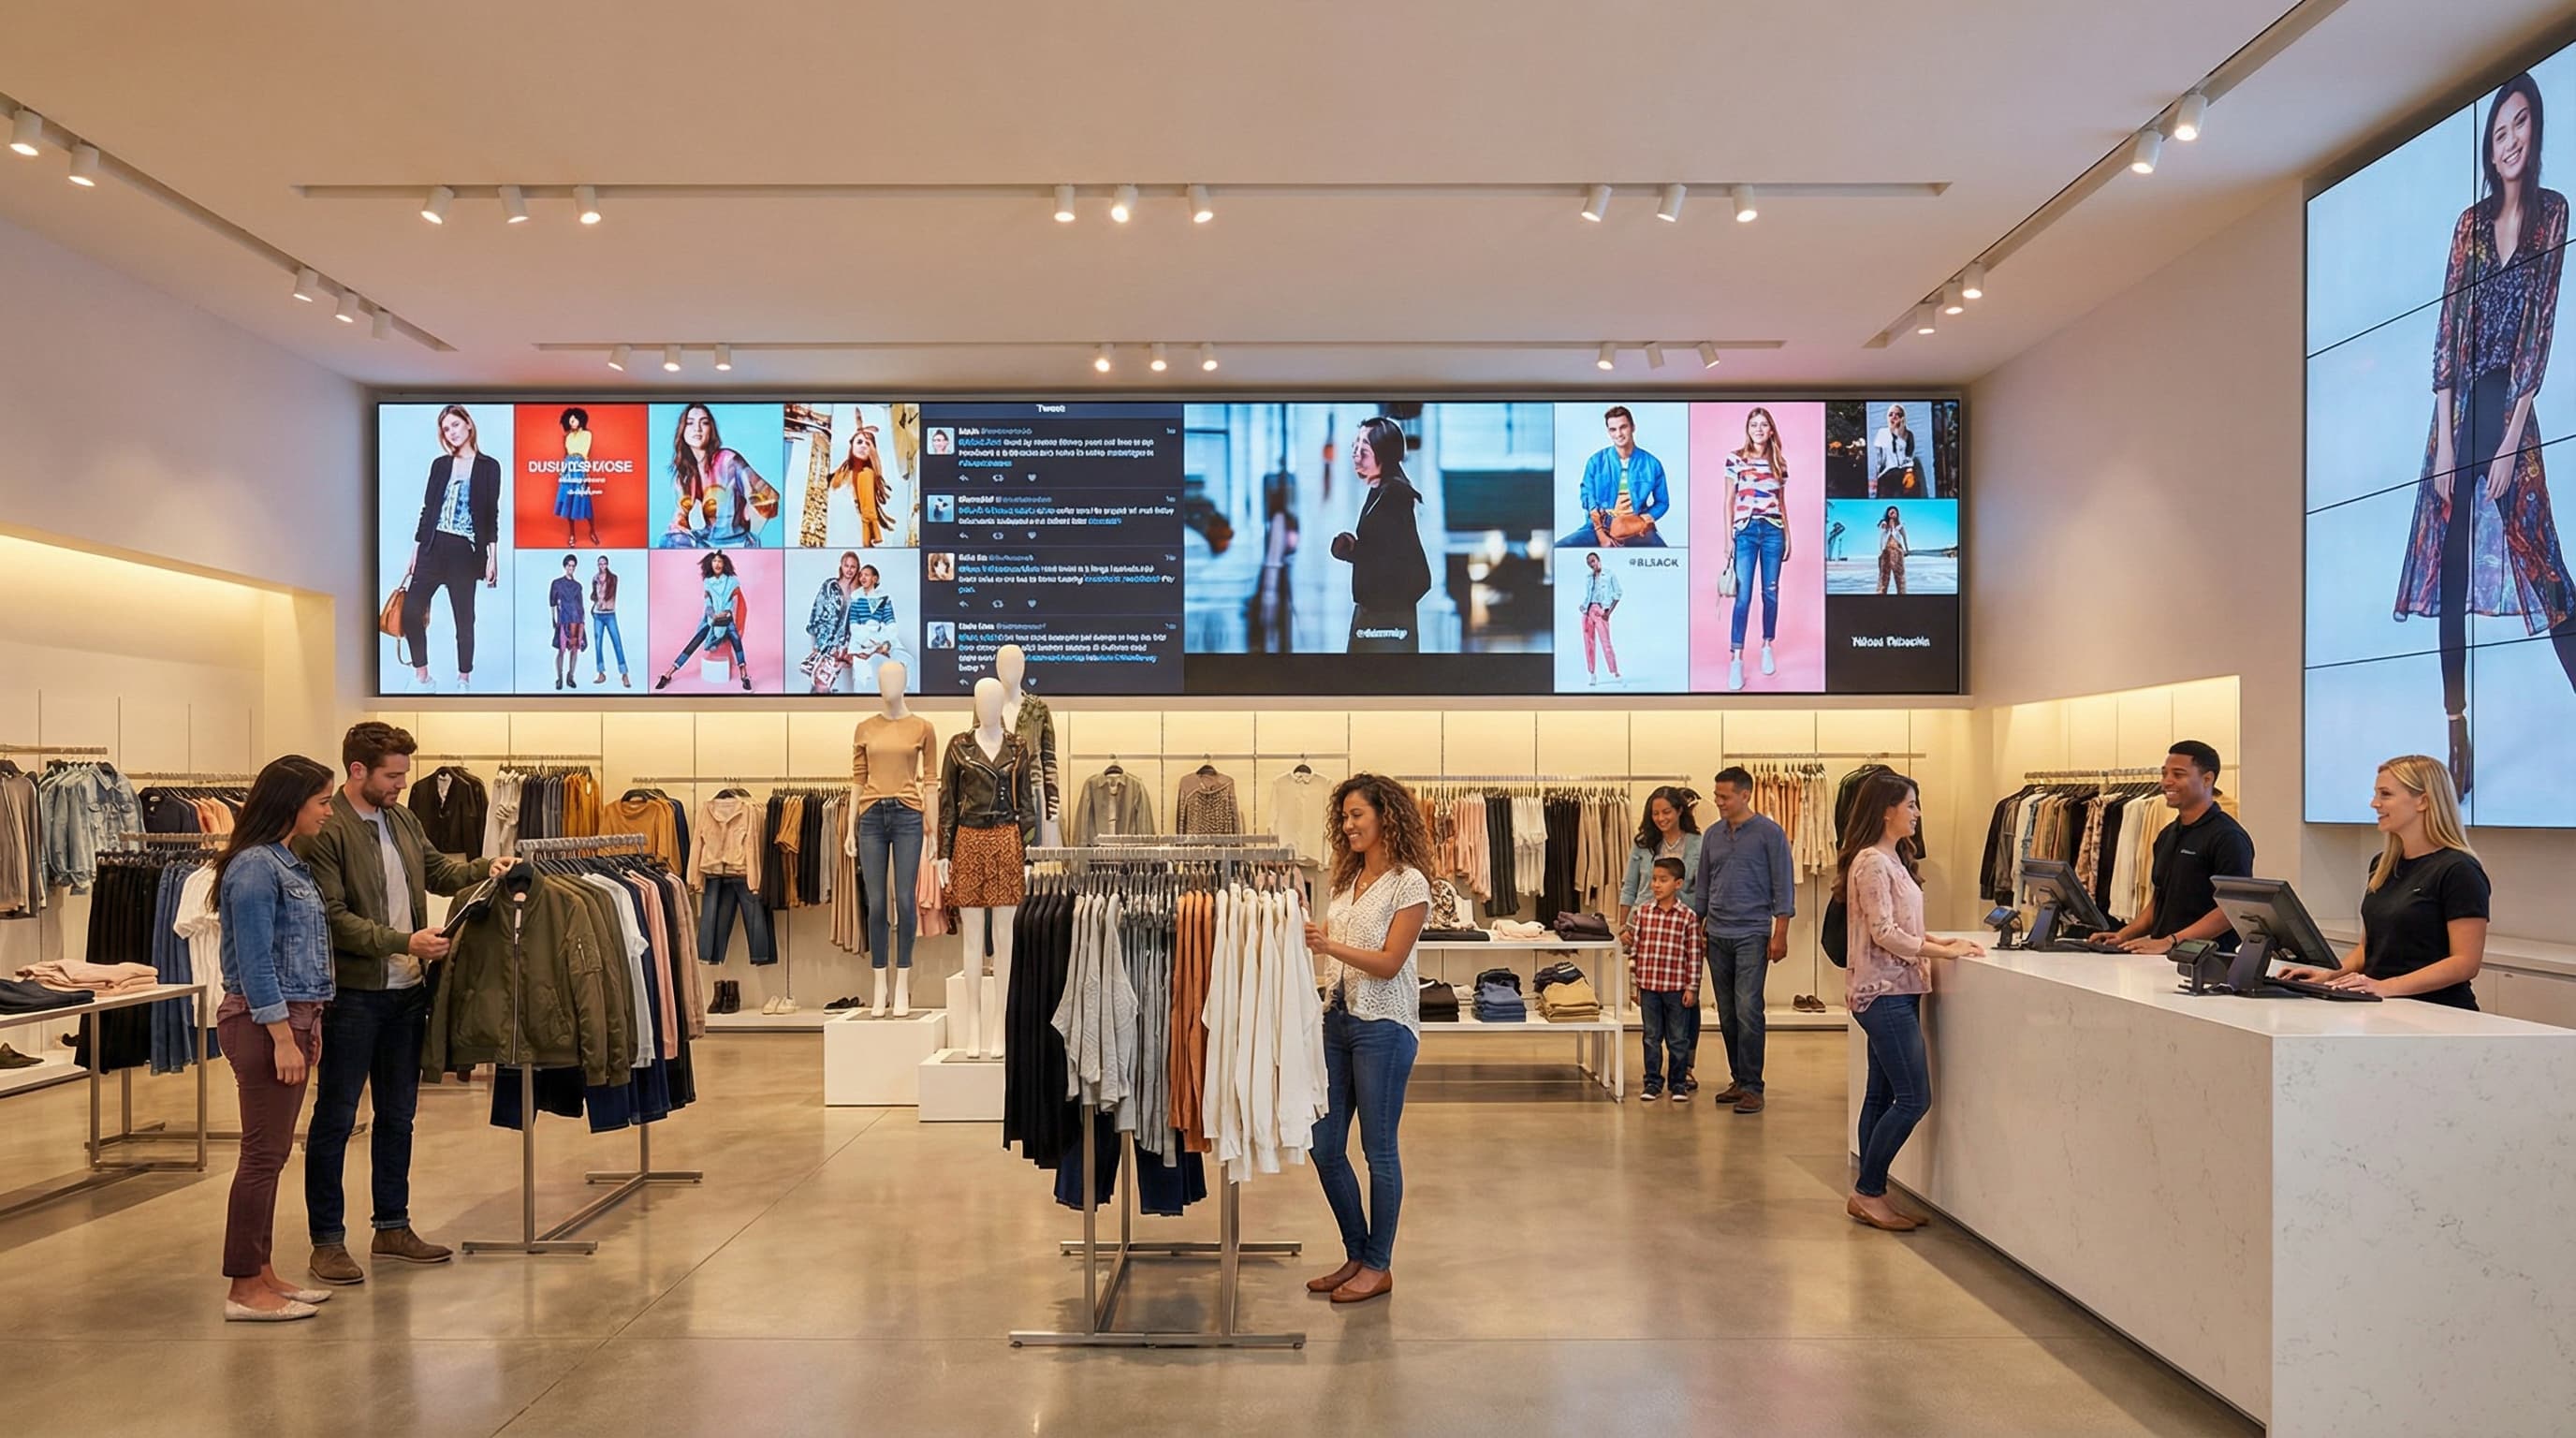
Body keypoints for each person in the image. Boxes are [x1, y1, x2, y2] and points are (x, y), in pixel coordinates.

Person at [2398, 71, 2576, 800]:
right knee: (2449, 571)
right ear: (2489, 142)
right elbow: (2448, 332)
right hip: (2459, 408)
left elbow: (2540, 329)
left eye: (2520, 126)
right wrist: (2445, 440)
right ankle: (2456, 726)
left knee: (2543, 562)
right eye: (2498, 130)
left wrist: (2508, 442)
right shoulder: (2469, 224)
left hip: (2510, 407)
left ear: (2535, 133)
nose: (2508, 141)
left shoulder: (2553, 214)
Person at [297, 723, 506, 1287]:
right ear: (358, 771)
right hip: (354, 995)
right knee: (336, 1118)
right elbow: (332, 917)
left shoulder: (402, 818)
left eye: (404, 774)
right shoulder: (328, 831)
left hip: (405, 992)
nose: (401, 783)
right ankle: (327, 1241)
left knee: (399, 1116)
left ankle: (392, 1225)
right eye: (393, 775)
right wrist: (403, 942)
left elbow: (438, 869)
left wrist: (487, 868)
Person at [213, 755, 338, 1322]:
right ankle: (244, 1287)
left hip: (295, 1019)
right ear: (292, 803)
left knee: (274, 1153)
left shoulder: (283, 861)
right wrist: (283, 1038)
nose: (328, 811)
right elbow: (257, 962)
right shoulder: (254, 868)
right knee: (261, 1157)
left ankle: (262, 1272)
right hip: (268, 1022)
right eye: (322, 801)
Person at [1302, 772, 1433, 1305]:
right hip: (1337, 1020)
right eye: (1346, 816)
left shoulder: (1410, 884)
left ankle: (1379, 1265)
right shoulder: (1345, 880)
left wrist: (1327, 946)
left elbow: (1389, 963)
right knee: (1324, 1144)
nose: (1349, 825)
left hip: (1385, 1025)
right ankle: (1357, 1253)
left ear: (1386, 817)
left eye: (1358, 815)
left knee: (1378, 1150)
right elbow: (1333, 945)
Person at [1840, 769, 1984, 1232]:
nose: (1918, 813)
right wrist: (1941, 950)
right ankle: (1868, 1192)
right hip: (1883, 993)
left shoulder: (1893, 860)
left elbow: (1899, 926)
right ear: (1887, 810)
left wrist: (1938, 941)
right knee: (1913, 1098)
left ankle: (1871, 1192)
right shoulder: (1872, 863)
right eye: (1911, 805)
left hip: (1898, 989)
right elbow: (1884, 934)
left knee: (1881, 1095)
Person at [2281, 755, 2491, 1006]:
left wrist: (2385, 986)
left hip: (2438, 1012)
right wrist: (2331, 975)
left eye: (2385, 794)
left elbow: (2464, 963)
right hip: (2384, 1008)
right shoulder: (2381, 865)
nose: (2374, 803)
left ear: (2423, 801)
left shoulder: (2459, 870)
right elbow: (2367, 948)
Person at [1693, 766, 1794, 1113]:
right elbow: (1703, 884)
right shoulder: (1712, 835)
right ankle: (1738, 1078)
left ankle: (1753, 1085)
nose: (1718, 802)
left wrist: (1780, 934)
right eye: (1716, 796)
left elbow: (1783, 885)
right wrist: (1698, 927)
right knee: (1726, 1012)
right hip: (1716, 934)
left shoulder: (1770, 834)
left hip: (1752, 932)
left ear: (1745, 795)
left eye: (1725, 796)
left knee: (1749, 1008)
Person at [2106, 741, 2255, 954]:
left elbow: (2232, 909)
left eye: (2178, 774)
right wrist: (2124, 935)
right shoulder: (2167, 834)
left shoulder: (2228, 837)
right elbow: (2160, 900)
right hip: (2163, 957)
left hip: (2207, 963)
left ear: (2207, 779)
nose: (2167, 782)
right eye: (2164, 773)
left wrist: (2171, 941)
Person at [398, 404, 501, 694]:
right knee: (410, 612)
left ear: (468, 424)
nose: (451, 432)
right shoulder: (440, 465)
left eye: (455, 425)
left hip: (464, 551)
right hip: (432, 546)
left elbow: (490, 513)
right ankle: (422, 677)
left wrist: (493, 557)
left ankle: (463, 679)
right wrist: (415, 552)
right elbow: (428, 510)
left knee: (464, 619)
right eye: (446, 429)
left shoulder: (489, 466)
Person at [1329, 417, 1433, 653]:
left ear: (1383, 454)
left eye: (1363, 449)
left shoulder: (1393, 495)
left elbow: (1390, 557)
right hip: (1379, 613)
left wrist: (1353, 552)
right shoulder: (1382, 491)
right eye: (1354, 447)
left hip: (1384, 616)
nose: (1356, 454)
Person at [1723, 406, 1791, 691]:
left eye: (1764, 425)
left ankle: (1766, 645)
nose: (1759, 429)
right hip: (1746, 532)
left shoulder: (1780, 464)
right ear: (1748, 429)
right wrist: (1728, 539)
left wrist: (1789, 535)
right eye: (1754, 425)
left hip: (1773, 531)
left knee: (1771, 594)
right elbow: (1728, 500)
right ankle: (1736, 659)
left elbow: (1782, 502)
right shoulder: (1735, 458)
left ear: (1771, 430)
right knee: (1743, 597)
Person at [1623, 857, 1701, 1102]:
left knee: (1678, 1038)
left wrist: (1692, 987)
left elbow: (1694, 954)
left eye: (1663, 880)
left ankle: (1678, 1083)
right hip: (1649, 987)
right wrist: (1635, 986)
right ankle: (1652, 1082)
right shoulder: (1643, 913)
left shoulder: (1687, 917)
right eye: (1654, 879)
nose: (1656, 885)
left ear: (1678, 884)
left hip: (1676, 988)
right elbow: (1635, 951)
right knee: (1651, 1036)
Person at [659, 403, 771, 549]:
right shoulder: (687, 474)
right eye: (690, 423)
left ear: (711, 430)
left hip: (737, 542)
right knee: (667, 541)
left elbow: (768, 498)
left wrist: (751, 537)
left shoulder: (728, 460)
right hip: (708, 543)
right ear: (682, 430)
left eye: (704, 423)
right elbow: (679, 520)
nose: (697, 428)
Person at [1559, 405, 1670, 548]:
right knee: (1561, 547)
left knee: (1667, 555)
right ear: (1608, 432)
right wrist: (1601, 535)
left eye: (1623, 427)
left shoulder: (1652, 464)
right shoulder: (1595, 462)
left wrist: (1642, 520)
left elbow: (1663, 502)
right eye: (1613, 429)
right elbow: (1588, 497)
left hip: (1636, 526)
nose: (1619, 434)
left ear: (1633, 427)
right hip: (1600, 525)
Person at [654, 551, 754, 693]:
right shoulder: (707, 582)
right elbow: (708, 602)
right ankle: (668, 673)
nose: (717, 564)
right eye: (714, 561)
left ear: (724, 564)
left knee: (736, 640)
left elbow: (734, 602)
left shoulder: (732, 581)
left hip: (726, 616)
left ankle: (744, 675)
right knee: (695, 641)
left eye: (720, 561)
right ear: (710, 564)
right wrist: (712, 615)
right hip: (711, 618)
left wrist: (725, 613)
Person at [1250, 470, 1299, 653]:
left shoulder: (1280, 519)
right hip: (1280, 579)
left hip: (1277, 580)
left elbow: (1274, 558)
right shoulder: (1285, 519)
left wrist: (1269, 592)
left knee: (1276, 627)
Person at [831, 422, 892, 549]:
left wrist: (869, 540)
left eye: (868, 444)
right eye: (859, 442)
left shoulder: (867, 474)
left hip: (854, 534)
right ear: (852, 445)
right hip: (835, 530)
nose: (863, 446)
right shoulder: (842, 473)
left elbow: (869, 513)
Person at [555, 406, 599, 546]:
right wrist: (562, 471)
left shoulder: (587, 434)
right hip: (568, 468)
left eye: (573, 419)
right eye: (570, 420)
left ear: (580, 420)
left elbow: (584, 454)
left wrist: (585, 475)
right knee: (568, 502)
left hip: (579, 467)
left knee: (585, 502)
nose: (571, 422)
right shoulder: (567, 437)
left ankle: (592, 531)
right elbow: (566, 455)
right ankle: (572, 534)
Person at [1870, 403, 1934, 498]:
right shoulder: (1882, 433)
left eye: (1898, 414)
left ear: (1903, 417)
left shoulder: (1908, 434)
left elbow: (1908, 455)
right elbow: (1879, 457)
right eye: (1891, 414)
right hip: (1886, 474)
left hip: (1905, 472)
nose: (1894, 417)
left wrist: (1899, 431)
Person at [1579, 550, 1621, 685]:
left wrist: (1608, 612)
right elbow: (1589, 594)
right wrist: (1583, 606)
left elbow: (1618, 593)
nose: (1591, 564)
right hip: (1587, 611)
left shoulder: (1609, 574)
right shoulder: (1588, 577)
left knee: (1606, 643)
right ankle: (1592, 674)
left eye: (1592, 561)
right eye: (1589, 563)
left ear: (1598, 559)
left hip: (1601, 610)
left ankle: (1615, 672)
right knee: (1588, 643)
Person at [547, 553, 585, 691]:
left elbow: (581, 605)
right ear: (565, 566)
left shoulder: (578, 586)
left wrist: (583, 622)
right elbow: (552, 602)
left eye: (573, 566)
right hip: (563, 619)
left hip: (577, 620)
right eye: (569, 565)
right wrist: (553, 619)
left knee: (575, 650)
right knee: (561, 650)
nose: (571, 568)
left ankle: (571, 676)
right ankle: (560, 677)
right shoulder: (557, 583)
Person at [591, 555, 627, 687]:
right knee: (598, 643)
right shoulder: (594, 578)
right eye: (600, 564)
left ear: (607, 564)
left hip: (610, 614)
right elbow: (594, 595)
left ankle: (624, 674)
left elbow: (610, 593)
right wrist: (595, 601)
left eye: (604, 564)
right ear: (597, 565)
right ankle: (601, 673)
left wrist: (603, 601)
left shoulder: (613, 578)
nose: (602, 566)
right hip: (597, 615)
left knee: (617, 642)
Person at [1877, 506, 1909, 595]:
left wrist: (1907, 549)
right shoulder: (1884, 524)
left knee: (1900, 576)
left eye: (1894, 512)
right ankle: (1880, 594)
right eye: (1891, 511)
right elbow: (1882, 530)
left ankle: (1902, 594)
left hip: (1897, 551)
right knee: (1883, 575)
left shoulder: (1900, 525)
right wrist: (1885, 524)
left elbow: (1904, 537)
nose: (1893, 513)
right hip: (1885, 552)